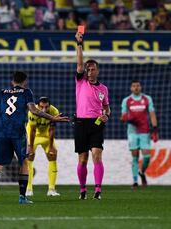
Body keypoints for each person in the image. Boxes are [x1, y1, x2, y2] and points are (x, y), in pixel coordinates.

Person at [0, 71, 68, 204]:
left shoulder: (2, 93)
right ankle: (22, 197)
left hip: (2, 133)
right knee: (24, 163)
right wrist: (53, 118)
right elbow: (34, 110)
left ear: (12, 82)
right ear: (25, 82)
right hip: (18, 133)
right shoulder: (27, 92)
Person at [74, 32, 111, 200]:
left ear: (97, 70)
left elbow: (107, 109)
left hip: (96, 124)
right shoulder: (80, 81)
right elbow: (79, 63)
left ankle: (97, 190)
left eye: (92, 69)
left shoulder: (103, 89)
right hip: (81, 123)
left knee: (97, 154)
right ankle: (82, 190)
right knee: (83, 159)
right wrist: (79, 44)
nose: (89, 71)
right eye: (87, 69)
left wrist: (106, 116)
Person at [120, 80, 158, 189]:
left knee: (147, 156)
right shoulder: (126, 101)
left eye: (137, 86)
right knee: (135, 155)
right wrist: (127, 119)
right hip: (132, 132)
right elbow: (123, 117)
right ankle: (135, 181)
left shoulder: (147, 99)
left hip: (144, 131)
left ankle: (142, 172)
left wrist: (155, 129)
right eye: (134, 86)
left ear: (140, 87)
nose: (136, 88)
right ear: (131, 88)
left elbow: (152, 114)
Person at [26, 97, 60, 197]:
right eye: (41, 107)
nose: (44, 109)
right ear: (38, 106)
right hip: (34, 136)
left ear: (50, 106)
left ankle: (51, 189)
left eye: (46, 107)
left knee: (53, 155)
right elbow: (32, 130)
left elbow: (52, 129)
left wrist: (50, 146)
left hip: (46, 135)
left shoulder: (54, 111)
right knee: (29, 157)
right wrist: (31, 147)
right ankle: (28, 189)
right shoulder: (32, 111)